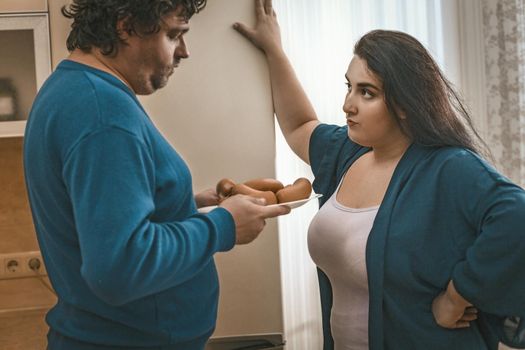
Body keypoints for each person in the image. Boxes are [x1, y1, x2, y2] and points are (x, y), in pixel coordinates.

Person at [234, 0, 525, 349]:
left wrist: (456, 296)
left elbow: (516, 215)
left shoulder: (447, 166)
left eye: (366, 92)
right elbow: (300, 126)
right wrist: (274, 50)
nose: (348, 104)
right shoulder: (349, 151)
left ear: (404, 103)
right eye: (349, 87)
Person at [23, 1, 290, 349]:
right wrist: (223, 226)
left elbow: (96, 217)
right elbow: (118, 269)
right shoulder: (104, 112)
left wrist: (185, 204)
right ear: (125, 26)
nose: (185, 51)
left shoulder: (72, 90)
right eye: (173, 34)